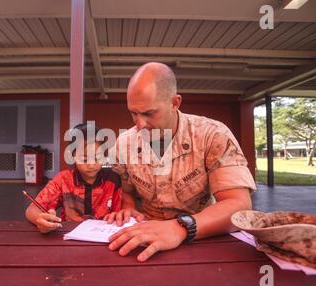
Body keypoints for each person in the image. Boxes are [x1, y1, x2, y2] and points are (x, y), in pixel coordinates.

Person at [106, 62, 257, 261]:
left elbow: (239, 205)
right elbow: (127, 192)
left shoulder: (212, 135)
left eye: (149, 113)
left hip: (202, 237)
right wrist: (128, 207)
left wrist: (181, 227)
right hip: (144, 238)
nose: (140, 124)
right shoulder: (124, 143)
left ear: (175, 103)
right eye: (133, 113)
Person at [26, 123, 122, 233]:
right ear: (72, 156)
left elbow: (120, 214)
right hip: (69, 237)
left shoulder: (113, 180)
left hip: (104, 237)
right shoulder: (63, 180)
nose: (91, 165)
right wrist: (41, 220)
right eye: (85, 159)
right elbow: (31, 210)